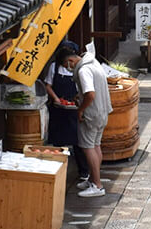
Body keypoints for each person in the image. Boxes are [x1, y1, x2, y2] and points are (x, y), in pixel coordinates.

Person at [61, 43, 112, 198]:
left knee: (88, 147)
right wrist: (80, 96)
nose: (67, 68)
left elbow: (90, 94)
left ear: (70, 61)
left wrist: (81, 109)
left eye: (66, 65)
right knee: (95, 146)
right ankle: (93, 180)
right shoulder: (93, 62)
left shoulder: (84, 70)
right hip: (102, 111)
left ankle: (97, 185)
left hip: (91, 114)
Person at [43, 46, 90, 183]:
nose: (67, 66)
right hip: (58, 109)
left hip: (74, 109)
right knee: (58, 141)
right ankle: (58, 172)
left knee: (77, 141)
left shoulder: (80, 69)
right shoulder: (54, 67)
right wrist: (56, 99)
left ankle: (84, 172)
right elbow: (48, 85)